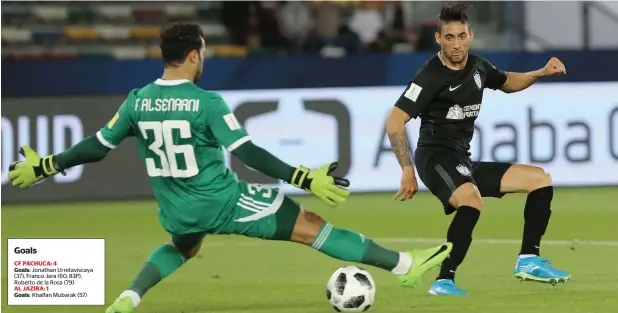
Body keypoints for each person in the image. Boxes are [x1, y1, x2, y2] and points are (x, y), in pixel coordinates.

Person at [7, 23, 452, 313]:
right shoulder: (207, 103)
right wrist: (303, 177)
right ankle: (403, 265)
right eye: (204, 52)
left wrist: (46, 165)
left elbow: (96, 146)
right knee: (309, 223)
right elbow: (248, 152)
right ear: (196, 55)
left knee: (183, 246)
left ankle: (128, 297)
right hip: (222, 200)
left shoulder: (137, 100)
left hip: (176, 208)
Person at [384, 3, 570, 296]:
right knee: (470, 200)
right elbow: (395, 121)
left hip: (461, 159)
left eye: (461, 36)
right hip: (435, 157)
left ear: (470, 35)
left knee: (539, 179)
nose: (456, 44)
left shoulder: (478, 67)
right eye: (449, 38)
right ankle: (444, 281)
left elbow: (508, 82)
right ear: (438, 39)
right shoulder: (429, 76)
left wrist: (541, 72)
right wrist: (407, 170)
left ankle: (528, 260)